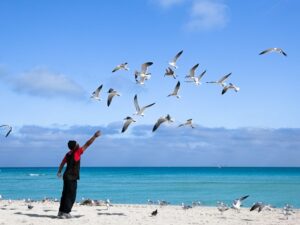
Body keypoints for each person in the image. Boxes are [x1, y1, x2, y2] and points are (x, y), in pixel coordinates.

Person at [57, 130, 101, 219]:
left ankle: (61, 212)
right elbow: (87, 144)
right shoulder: (77, 152)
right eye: (77, 144)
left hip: (66, 176)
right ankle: (66, 212)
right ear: (75, 147)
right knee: (71, 195)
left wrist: (59, 172)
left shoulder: (68, 154)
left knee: (65, 194)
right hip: (71, 177)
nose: (78, 144)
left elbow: (62, 164)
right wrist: (94, 136)